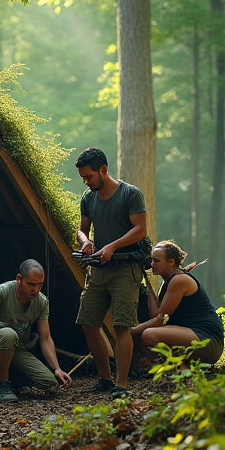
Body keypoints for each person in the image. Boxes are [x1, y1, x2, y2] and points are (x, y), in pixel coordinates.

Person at [74, 147, 148, 399]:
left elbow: (140, 229)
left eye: (89, 177)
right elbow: (82, 229)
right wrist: (86, 242)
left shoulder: (130, 193)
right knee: (88, 323)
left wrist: (112, 246)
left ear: (103, 170)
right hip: (98, 269)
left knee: (121, 326)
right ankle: (105, 379)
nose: (86, 181)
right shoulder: (88, 197)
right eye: (83, 178)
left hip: (126, 269)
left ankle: (122, 385)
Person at [0, 260, 73, 402]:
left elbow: (46, 337)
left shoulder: (42, 302)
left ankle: (2, 377)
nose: (35, 290)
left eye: (39, 285)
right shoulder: (2, 291)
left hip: (15, 347)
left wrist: (57, 368)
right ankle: (2, 385)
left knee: (48, 381)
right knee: (8, 334)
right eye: (31, 284)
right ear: (19, 278)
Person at [132, 241, 224, 365]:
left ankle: (176, 366)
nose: (152, 264)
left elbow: (160, 320)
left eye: (156, 260)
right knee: (148, 332)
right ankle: (176, 365)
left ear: (171, 262)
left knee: (149, 334)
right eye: (151, 260)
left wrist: (131, 331)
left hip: (208, 342)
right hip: (195, 337)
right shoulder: (168, 282)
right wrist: (147, 282)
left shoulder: (179, 280)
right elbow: (156, 315)